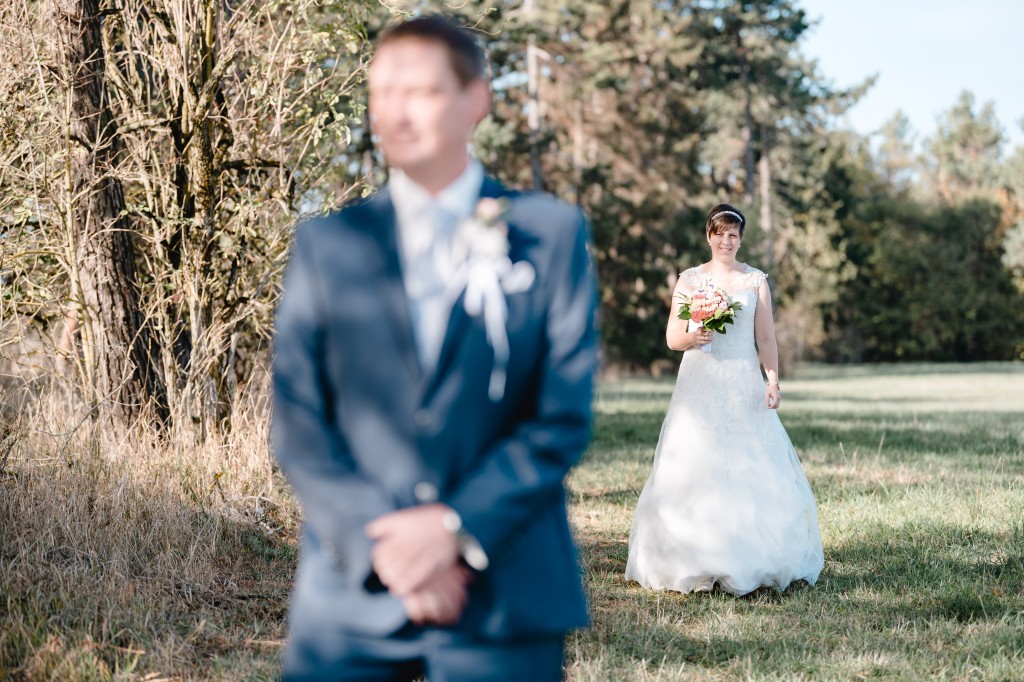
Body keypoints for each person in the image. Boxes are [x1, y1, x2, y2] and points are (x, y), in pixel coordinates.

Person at [271, 15, 597, 681]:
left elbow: (559, 417)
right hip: (352, 596)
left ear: (475, 99)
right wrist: (385, 548)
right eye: (381, 93)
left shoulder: (550, 234)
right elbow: (299, 419)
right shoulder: (326, 247)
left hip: (506, 586)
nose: (394, 111)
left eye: (418, 91)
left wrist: (453, 528)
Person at [625, 204, 823, 595]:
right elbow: (672, 338)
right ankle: (693, 559)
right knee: (694, 461)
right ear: (709, 235)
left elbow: (765, 338)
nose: (726, 241)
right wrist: (694, 337)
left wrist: (772, 380)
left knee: (748, 463)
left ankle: (750, 558)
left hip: (742, 380)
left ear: (741, 239)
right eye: (720, 233)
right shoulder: (690, 280)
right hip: (698, 382)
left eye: (733, 235)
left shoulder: (755, 281)